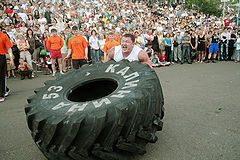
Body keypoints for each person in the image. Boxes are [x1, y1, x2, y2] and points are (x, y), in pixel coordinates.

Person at [0, 26, 14, 102]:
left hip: (1, 56)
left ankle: (1, 94)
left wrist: (11, 59)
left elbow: (9, 48)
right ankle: (5, 89)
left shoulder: (4, 36)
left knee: (1, 75)